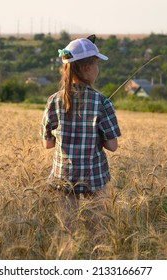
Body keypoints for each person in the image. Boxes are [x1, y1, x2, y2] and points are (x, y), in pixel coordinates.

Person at [41, 35, 121, 197]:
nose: (98, 69)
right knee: (97, 221)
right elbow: (112, 146)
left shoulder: (53, 101)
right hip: (94, 178)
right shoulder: (102, 102)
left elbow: (47, 144)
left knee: (67, 222)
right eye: (97, 64)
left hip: (63, 178)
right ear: (87, 68)